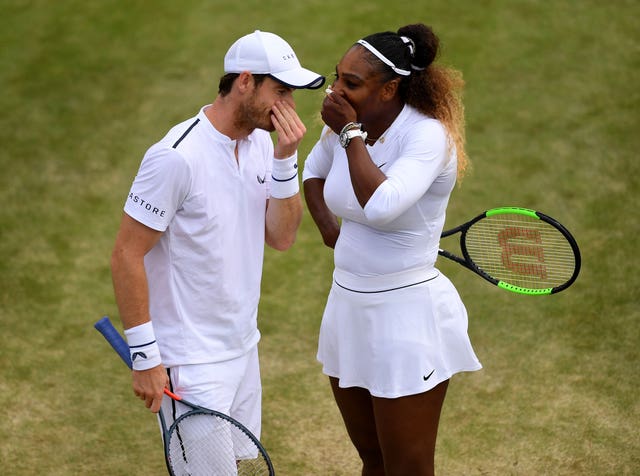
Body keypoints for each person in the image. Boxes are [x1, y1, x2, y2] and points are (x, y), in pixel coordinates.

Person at [110, 29, 325, 450]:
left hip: (244, 346)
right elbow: (125, 254)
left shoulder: (265, 144)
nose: (290, 107)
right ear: (245, 81)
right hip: (190, 361)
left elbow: (281, 238)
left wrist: (285, 159)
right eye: (281, 90)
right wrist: (145, 357)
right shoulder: (175, 157)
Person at [302, 23, 482, 475]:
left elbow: (381, 207)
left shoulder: (426, 137)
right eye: (337, 76)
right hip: (346, 309)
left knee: (408, 466)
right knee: (373, 460)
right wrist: (329, 228)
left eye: (352, 83)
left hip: (406, 320)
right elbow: (314, 171)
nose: (335, 91)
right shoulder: (345, 128)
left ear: (390, 89)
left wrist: (350, 135)